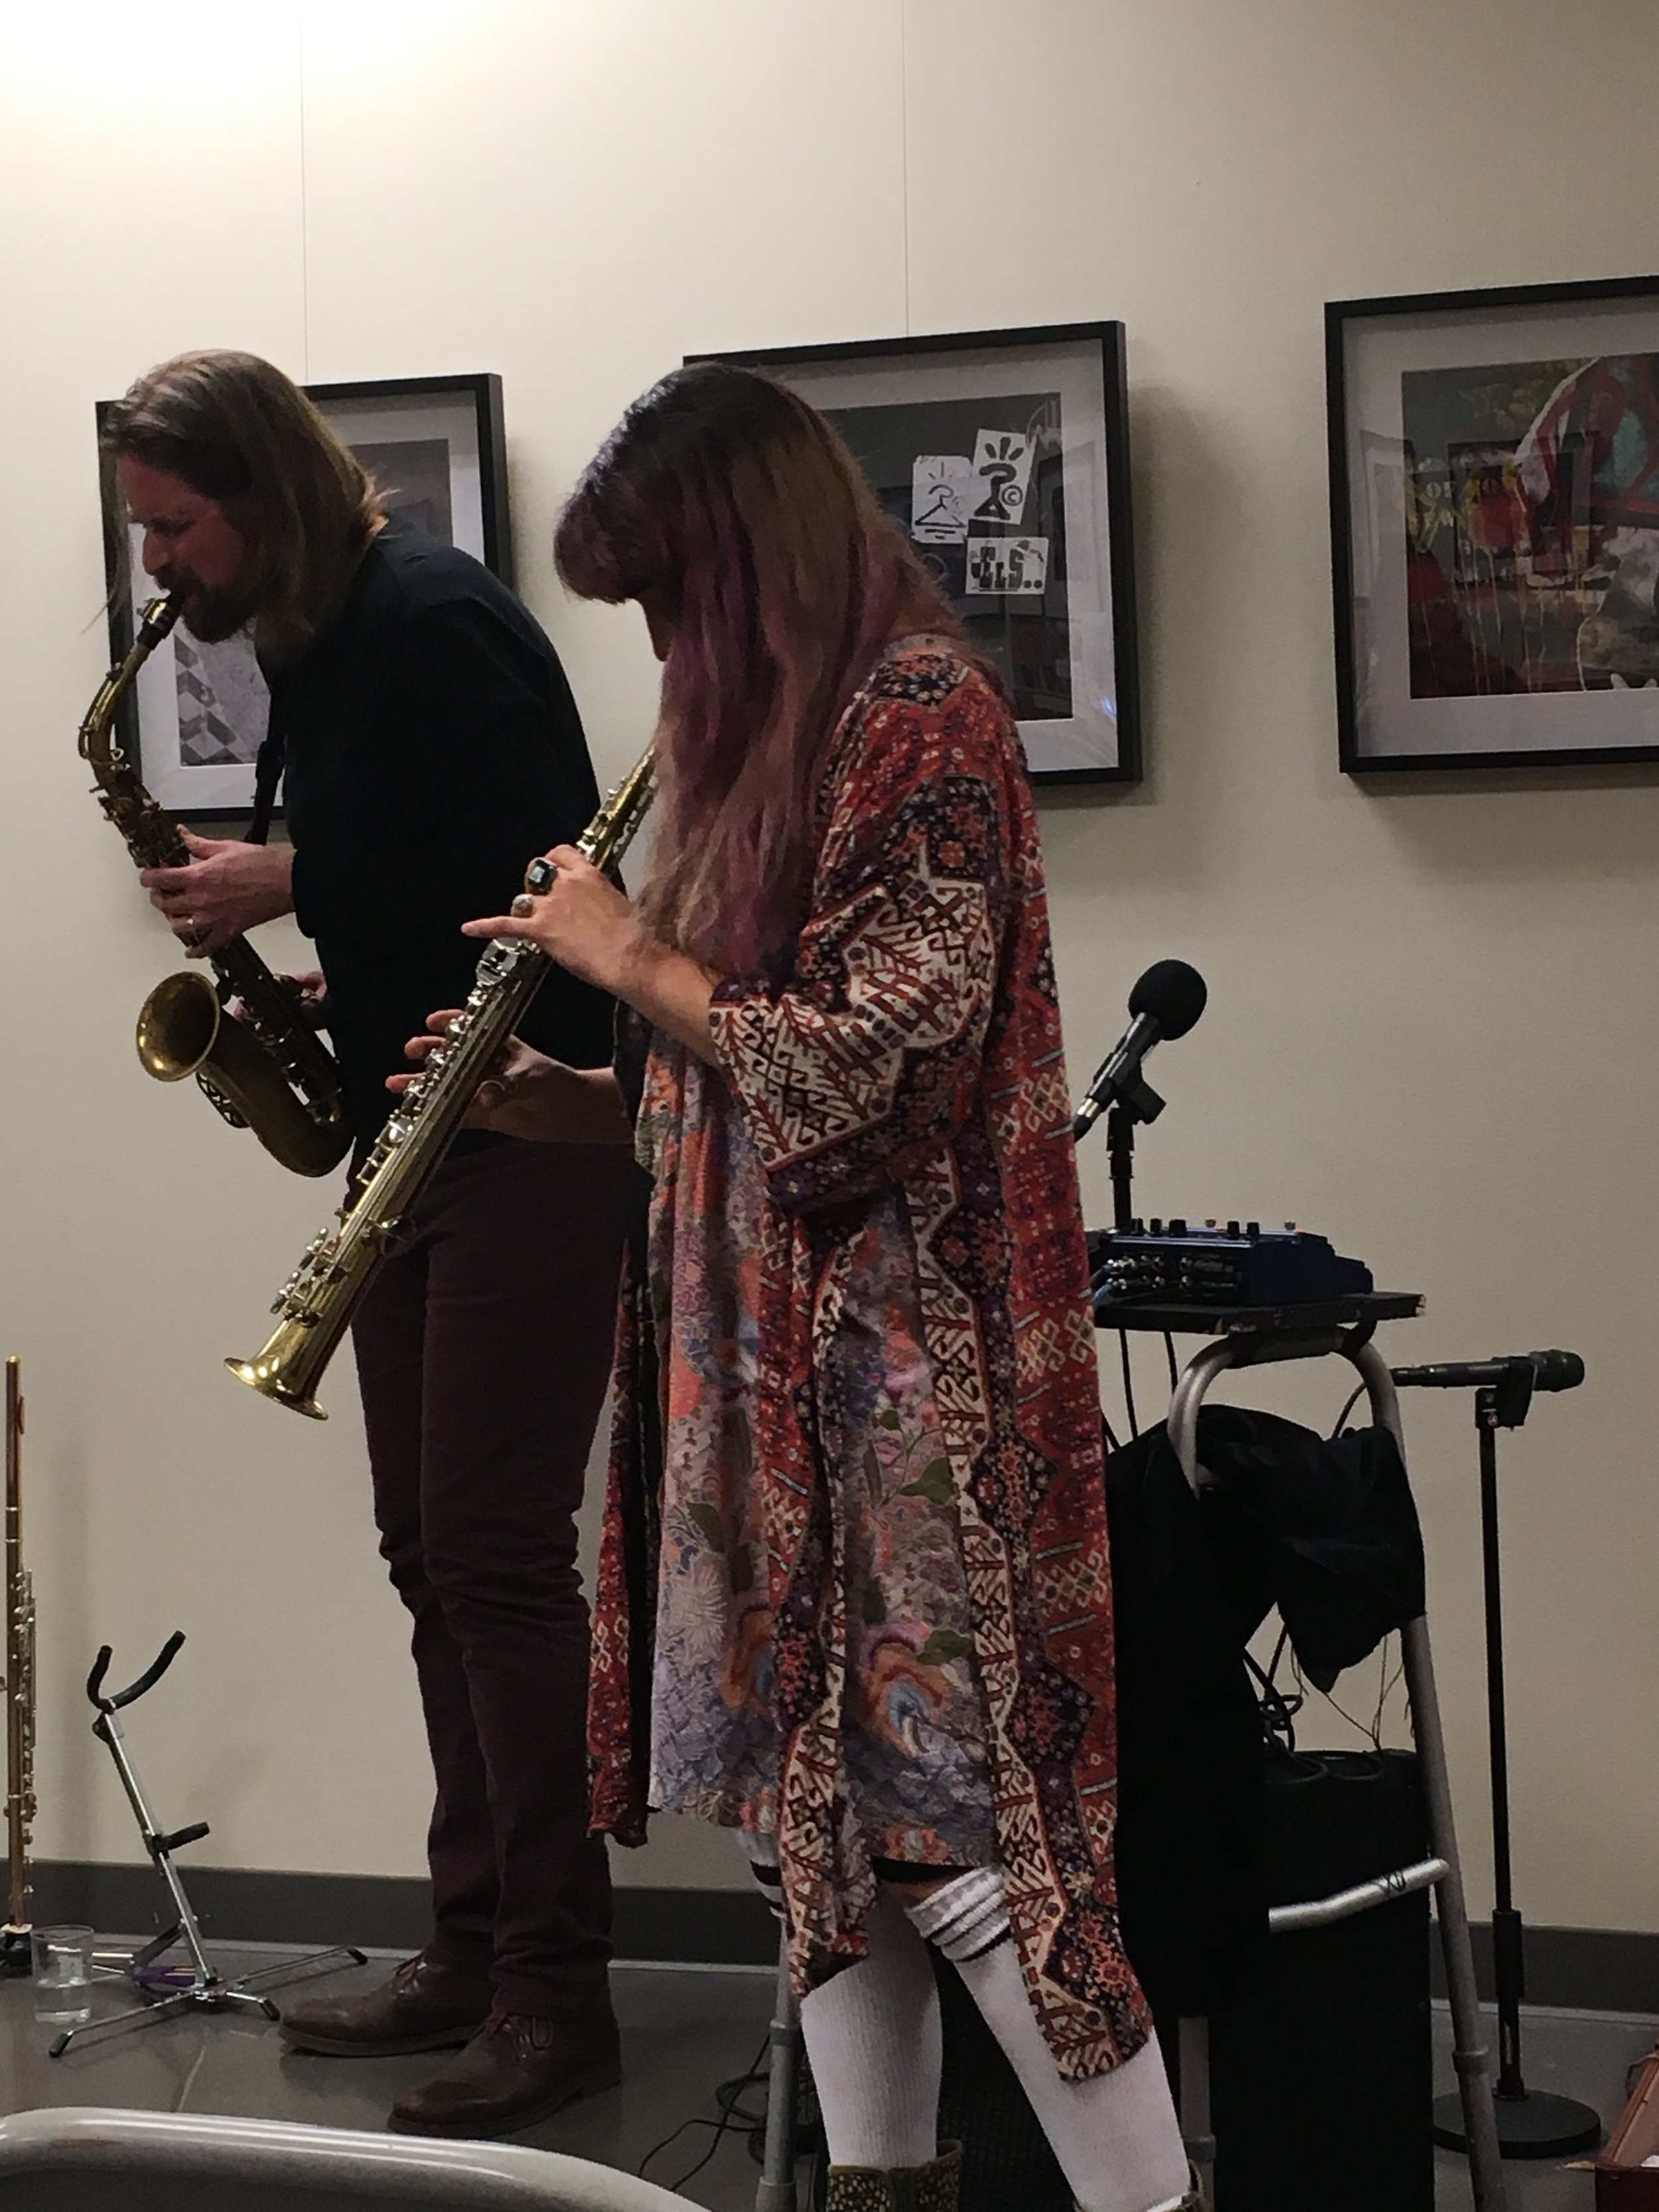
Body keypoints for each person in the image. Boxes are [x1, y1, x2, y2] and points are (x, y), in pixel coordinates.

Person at [405, 363, 1198, 2211]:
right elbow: (751, 1095)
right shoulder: (770, 746)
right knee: (821, 1845)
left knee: (972, 1850)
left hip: (904, 1397)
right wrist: (582, 1105)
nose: (666, 652)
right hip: (765, 1387)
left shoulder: (921, 719)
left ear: (742, 566)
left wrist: (618, 952)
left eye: (673, 603)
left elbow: (869, 1074)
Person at [103, 352, 630, 2138]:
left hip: (530, 1130)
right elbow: (436, 870)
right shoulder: (322, 634)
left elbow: (550, 872)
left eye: (174, 526)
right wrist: (341, 975)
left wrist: (288, 880)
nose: (158, 562)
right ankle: (474, 1947)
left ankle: (558, 1996)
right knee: (432, 1552)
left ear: (253, 489)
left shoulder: (429, 618)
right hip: (421, 1121)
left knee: (491, 1558)